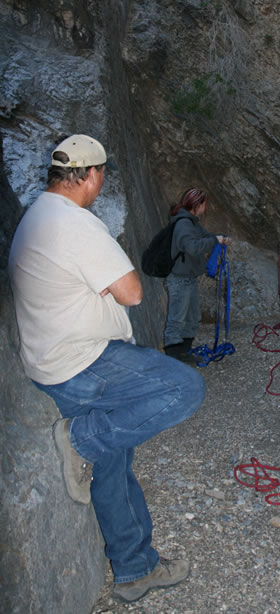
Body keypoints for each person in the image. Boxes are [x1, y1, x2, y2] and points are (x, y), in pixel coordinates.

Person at [8, 134, 206, 604]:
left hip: (50, 361)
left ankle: (134, 570)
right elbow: (132, 291)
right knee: (185, 388)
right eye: (101, 174)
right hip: (85, 359)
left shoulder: (35, 216)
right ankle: (76, 439)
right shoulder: (75, 223)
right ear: (91, 175)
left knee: (114, 461)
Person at [164, 188, 230, 362]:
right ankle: (173, 358)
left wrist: (219, 238)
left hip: (188, 277)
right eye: (204, 204)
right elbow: (192, 247)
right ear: (198, 204)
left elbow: (205, 236)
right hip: (179, 279)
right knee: (177, 320)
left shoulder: (191, 222)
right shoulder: (184, 224)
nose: (205, 207)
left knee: (192, 318)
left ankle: (184, 353)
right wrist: (214, 241)